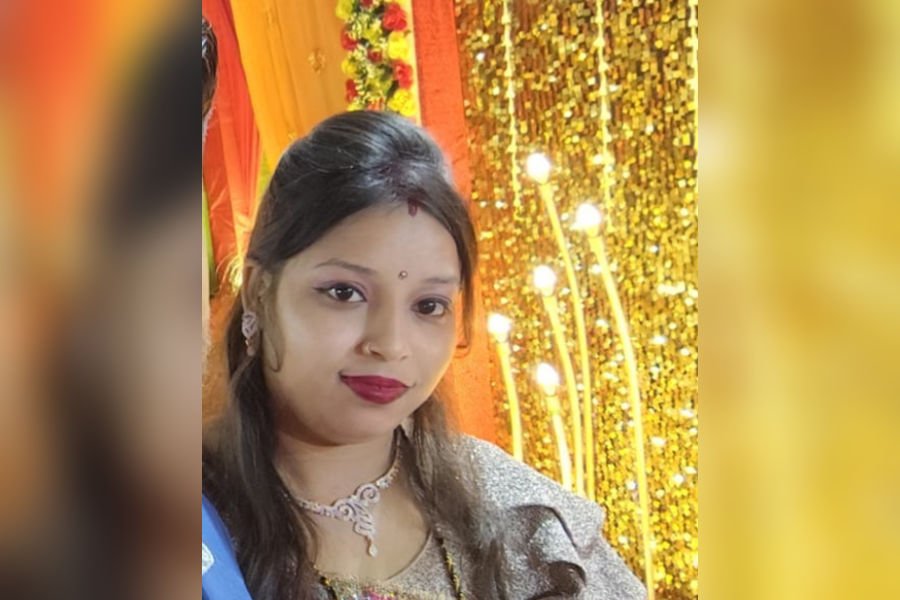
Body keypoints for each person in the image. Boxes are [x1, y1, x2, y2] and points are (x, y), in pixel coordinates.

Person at [202, 110, 645, 599]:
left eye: (429, 305)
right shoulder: (174, 522)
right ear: (260, 291)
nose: (391, 344)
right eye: (345, 293)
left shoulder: (516, 517)